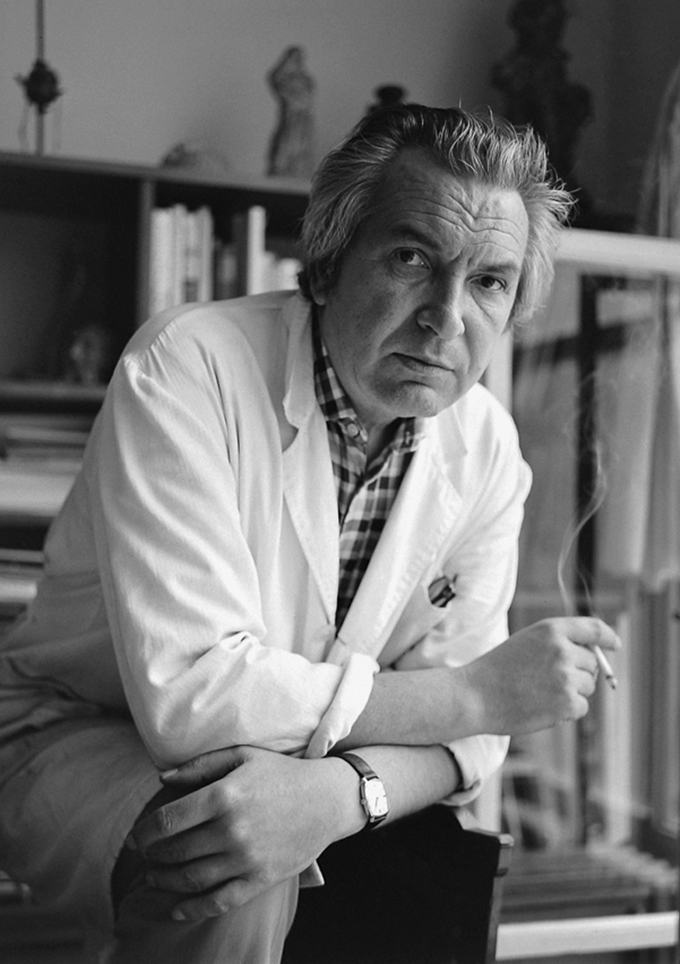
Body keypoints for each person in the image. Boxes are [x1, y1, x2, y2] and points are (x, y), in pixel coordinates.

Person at [0, 104, 620, 963]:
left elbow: (471, 746)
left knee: (415, 868)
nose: (447, 318)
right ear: (326, 266)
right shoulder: (188, 365)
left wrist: (338, 796)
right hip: (72, 725)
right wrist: (477, 695)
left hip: (313, 760)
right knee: (225, 850)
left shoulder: (485, 445)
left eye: (489, 282)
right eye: (412, 258)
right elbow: (197, 702)